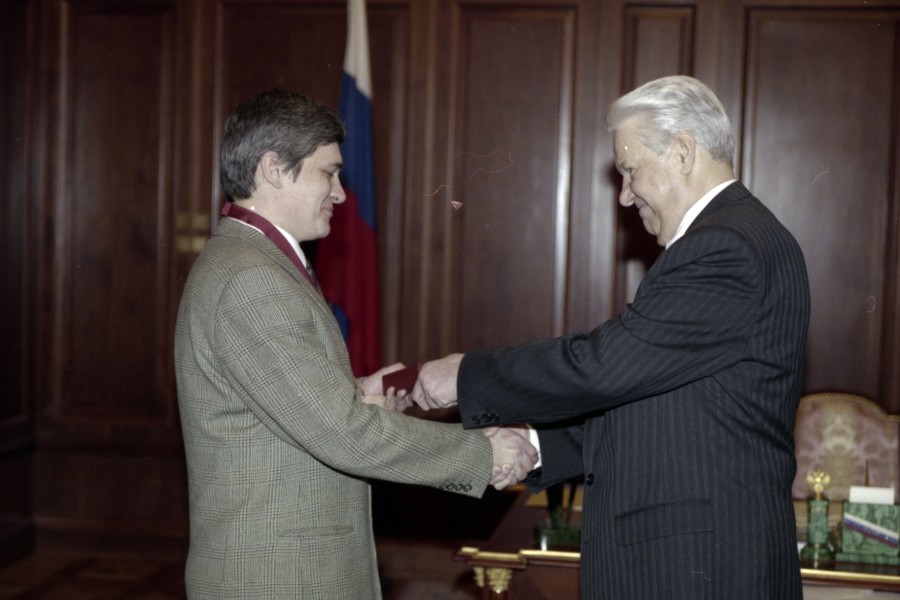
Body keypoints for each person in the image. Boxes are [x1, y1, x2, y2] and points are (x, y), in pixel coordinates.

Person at [411, 75, 810, 600]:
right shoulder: (736, 236)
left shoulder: (724, 247)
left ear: (683, 152)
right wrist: (535, 446)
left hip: (701, 570)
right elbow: (656, 403)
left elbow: (604, 368)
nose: (623, 195)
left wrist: (467, 374)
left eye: (629, 170)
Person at [174, 88, 537, 600]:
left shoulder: (255, 262)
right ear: (273, 169)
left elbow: (287, 406)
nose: (341, 194)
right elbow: (340, 433)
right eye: (328, 173)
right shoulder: (250, 279)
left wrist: (356, 392)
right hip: (279, 580)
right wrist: (481, 453)